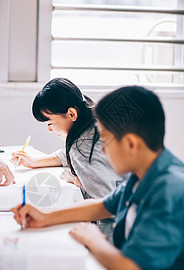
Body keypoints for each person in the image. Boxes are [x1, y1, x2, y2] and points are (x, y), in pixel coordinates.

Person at [11, 86, 184, 270]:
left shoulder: (169, 191)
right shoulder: (143, 175)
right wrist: (45, 218)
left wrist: (94, 239)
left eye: (105, 140)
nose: (101, 150)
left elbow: (130, 269)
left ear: (131, 144)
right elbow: (103, 205)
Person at [11, 78, 122, 242]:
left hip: (114, 233)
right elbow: (72, 154)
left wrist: (78, 181)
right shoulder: (93, 120)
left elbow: (106, 203)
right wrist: (36, 162)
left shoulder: (81, 150)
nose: (49, 129)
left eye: (50, 123)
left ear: (72, 114)